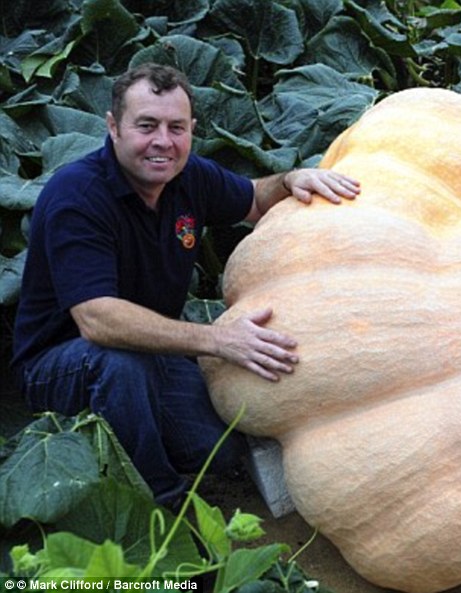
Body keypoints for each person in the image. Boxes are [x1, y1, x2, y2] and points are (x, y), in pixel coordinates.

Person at [10, 63, 360, 506]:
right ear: (113, 127)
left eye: (177, 127)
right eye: (146, 125)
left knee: (216, 449)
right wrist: (217, 339)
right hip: (60, 361)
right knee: (117, 366)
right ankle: (163, 506)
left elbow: (253, 198)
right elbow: (97, 320)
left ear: (192, 129)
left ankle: (130, 438)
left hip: (151, 351)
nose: (163, 141)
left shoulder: (188, 176)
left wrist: (291, 179)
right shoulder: (76, 196)